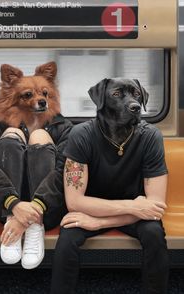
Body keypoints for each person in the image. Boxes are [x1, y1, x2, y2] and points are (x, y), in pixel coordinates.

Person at [50, 78, 169, 294]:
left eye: (136, 96)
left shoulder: (151, 136)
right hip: (94, 208)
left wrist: (98, 223)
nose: (132, 102)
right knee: (67, 236)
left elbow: (155, 206)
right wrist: (132, 207)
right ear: (100, 100)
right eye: (118, 95)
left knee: (154, 233)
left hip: (131, 215)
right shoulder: (81, 135)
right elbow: (75, 202)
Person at [0, 61, 72, 269]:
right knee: (11, 134)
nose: (40, 100)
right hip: (6, 205)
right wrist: (13, 204)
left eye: (44, 94)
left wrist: (35, 209)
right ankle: (13, 219)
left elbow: (63, 169)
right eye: (28, 95)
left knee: (39, 135)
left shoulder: (63, 127)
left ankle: (34, 225)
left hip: (48, 210)